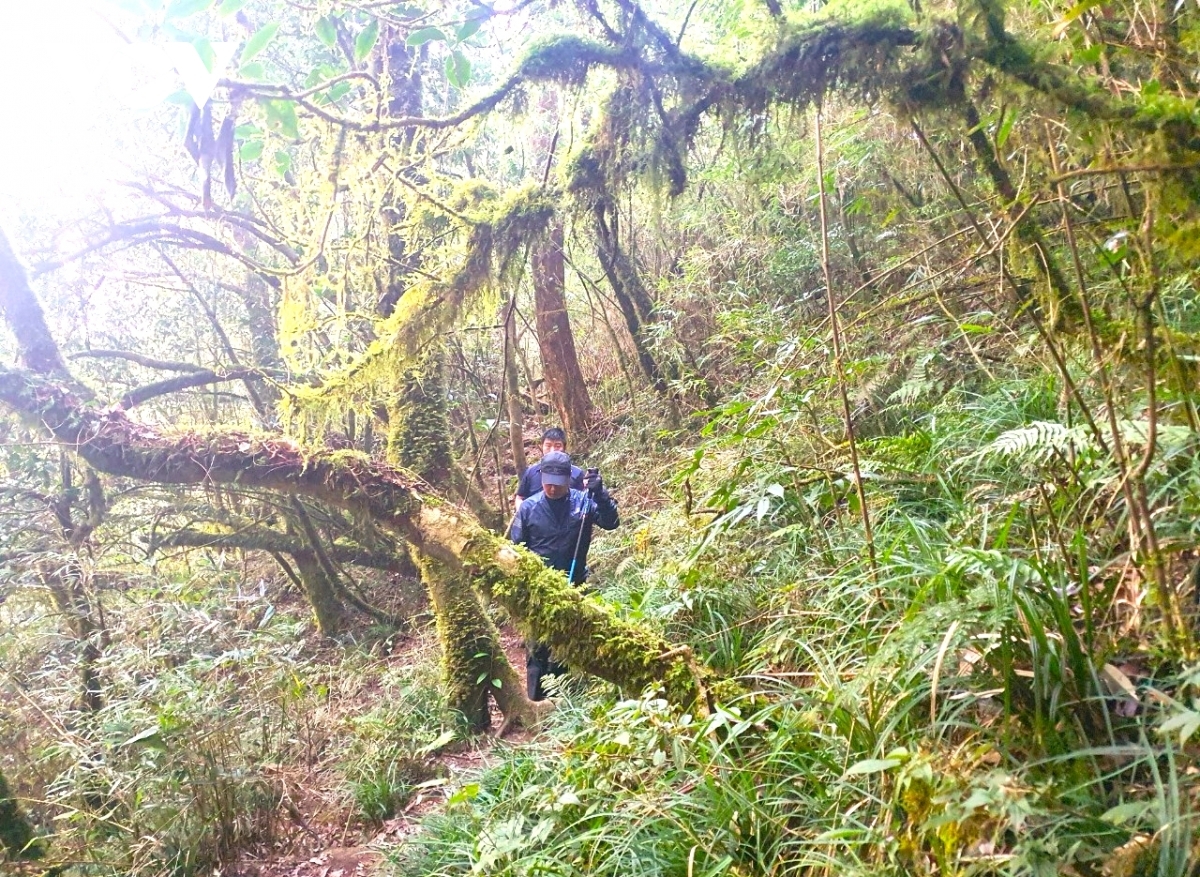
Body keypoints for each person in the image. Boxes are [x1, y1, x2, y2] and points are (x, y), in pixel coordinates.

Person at [509, 450, 619, 700]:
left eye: (557, 483)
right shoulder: (528, 508)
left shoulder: (583, 502)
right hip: (538, 592)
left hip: (574, 586)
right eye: (548, 482)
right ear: (541, 477)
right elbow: (516, 550)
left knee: (568, 647)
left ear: (569, 479)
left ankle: (566, 703)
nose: (552, 488)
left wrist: (601, 494)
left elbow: (611, 522)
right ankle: (536, 703)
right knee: (537, 650)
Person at [515, 427, 584, 508]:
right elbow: (520, 497)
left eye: (557, 446)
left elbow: (585, 499)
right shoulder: (531, 472)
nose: (552, 450)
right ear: (542, 447)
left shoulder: (576, 473)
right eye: (548, 446)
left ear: (564, 448)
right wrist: (523, 512)